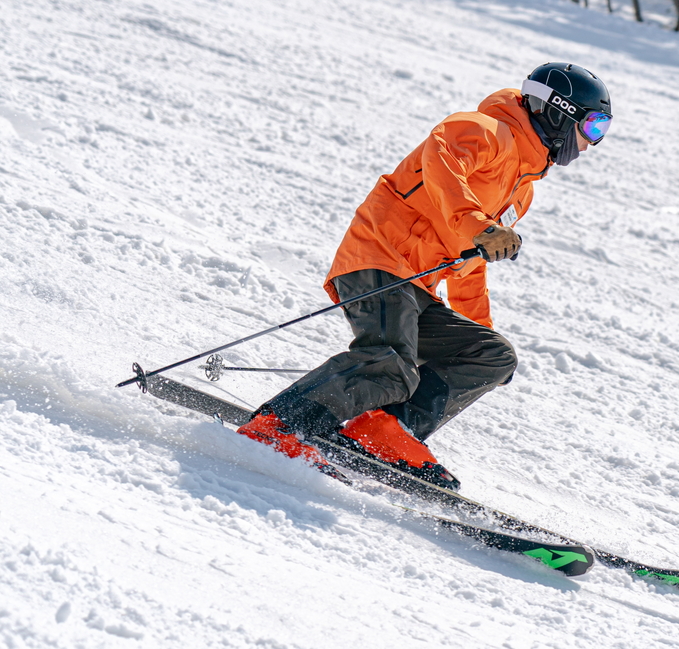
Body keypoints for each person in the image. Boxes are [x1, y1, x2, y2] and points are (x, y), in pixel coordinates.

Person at [236, 63, 612, 490]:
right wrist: (478, 224)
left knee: (494, 356)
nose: (592, 143)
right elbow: (442, 166)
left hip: (418, 288)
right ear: (558, 113)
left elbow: (471, 261)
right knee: (391, 364)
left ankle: (382, 431)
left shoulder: (521, 189)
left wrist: (477, 332)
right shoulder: (484, 130)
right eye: (593, 126)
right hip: (378, 259)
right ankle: (278, 425)